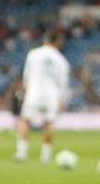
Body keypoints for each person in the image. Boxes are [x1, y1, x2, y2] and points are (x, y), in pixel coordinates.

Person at [15, 31, 70, 163]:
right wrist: (61, 100)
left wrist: (25, 92)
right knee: (49, 123)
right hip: (51, 96)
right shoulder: (61, 60)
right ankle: (45, 156)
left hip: (34, 93)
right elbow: (62, 83)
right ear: (58, 41)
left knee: (24, 121)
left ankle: (22, 154)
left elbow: (26, 77)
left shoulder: (33, 54)